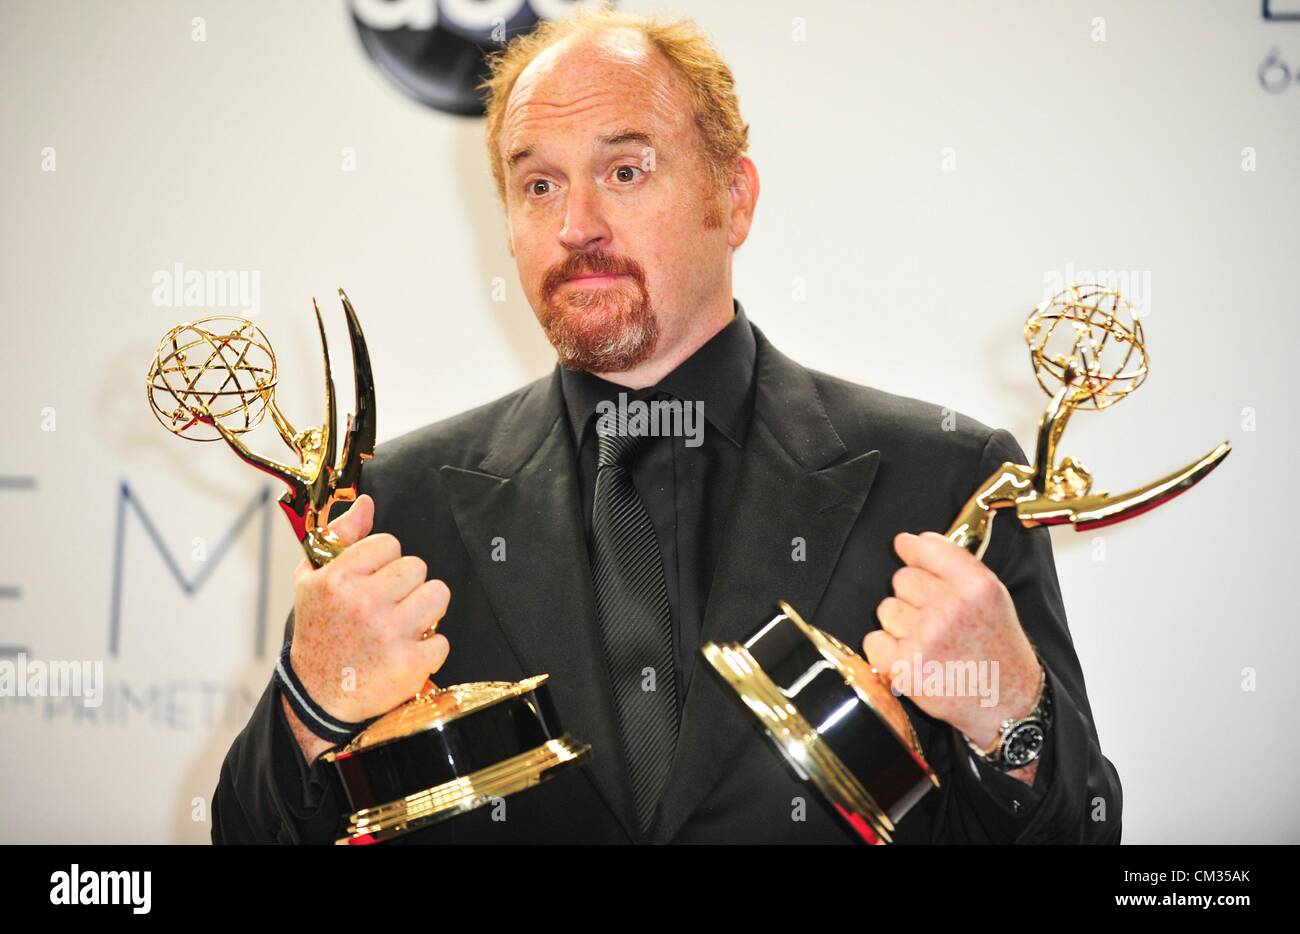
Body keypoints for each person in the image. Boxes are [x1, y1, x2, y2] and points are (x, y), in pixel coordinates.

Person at [211, 8, 1121, 844]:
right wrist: (306, 707)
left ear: (734, 199)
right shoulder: (396, 507)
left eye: (624, 169)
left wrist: (1012, 717)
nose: (576, 224)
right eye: (537, 185)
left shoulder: (945, 481)